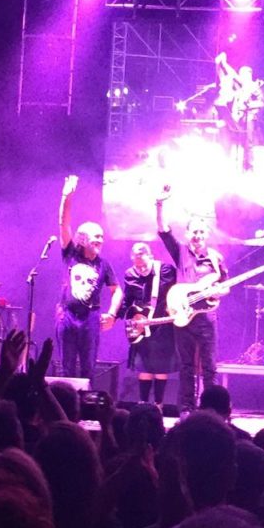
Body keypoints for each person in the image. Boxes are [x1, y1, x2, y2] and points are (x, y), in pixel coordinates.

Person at [156, 187, 228, 412]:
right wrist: (159, 204)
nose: (197, 236)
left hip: (206, 318)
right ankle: (186, 409)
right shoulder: (181, 252)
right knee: (186, 367)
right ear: (187, 234)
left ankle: (211, 410)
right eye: (194, 232)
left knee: (209, 367)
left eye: (201, 232)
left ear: (206, 235)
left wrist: (218, 292)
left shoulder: (215, 258)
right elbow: (163, 231)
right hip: (183, 317)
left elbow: (224, 286)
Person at [56, 174, 123, 379]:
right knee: (66, 366)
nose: (100, 240)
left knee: (88, 367)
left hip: (90, 318)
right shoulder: (71, 255)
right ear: (83, 238)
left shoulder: (103, 264)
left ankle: (86, 398)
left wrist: (112, 314)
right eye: (96, 236)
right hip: (67, 315)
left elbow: (117, 291)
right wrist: (66, 196)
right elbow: (63, 224)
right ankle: (66, 397)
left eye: (102, 237)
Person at [121, 242, 178, 406]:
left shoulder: (166, 270)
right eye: (137, 266)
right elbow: (127, 300)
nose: (141, 269)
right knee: (143, 367)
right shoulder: (130, 274)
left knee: (161, 368)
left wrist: (174, 306)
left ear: (150, 257)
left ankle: (158, 405)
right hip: (141, 326)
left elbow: (178, 290)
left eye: (144, 265)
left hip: (162, 326)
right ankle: (143, 404)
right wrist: (118, 316)